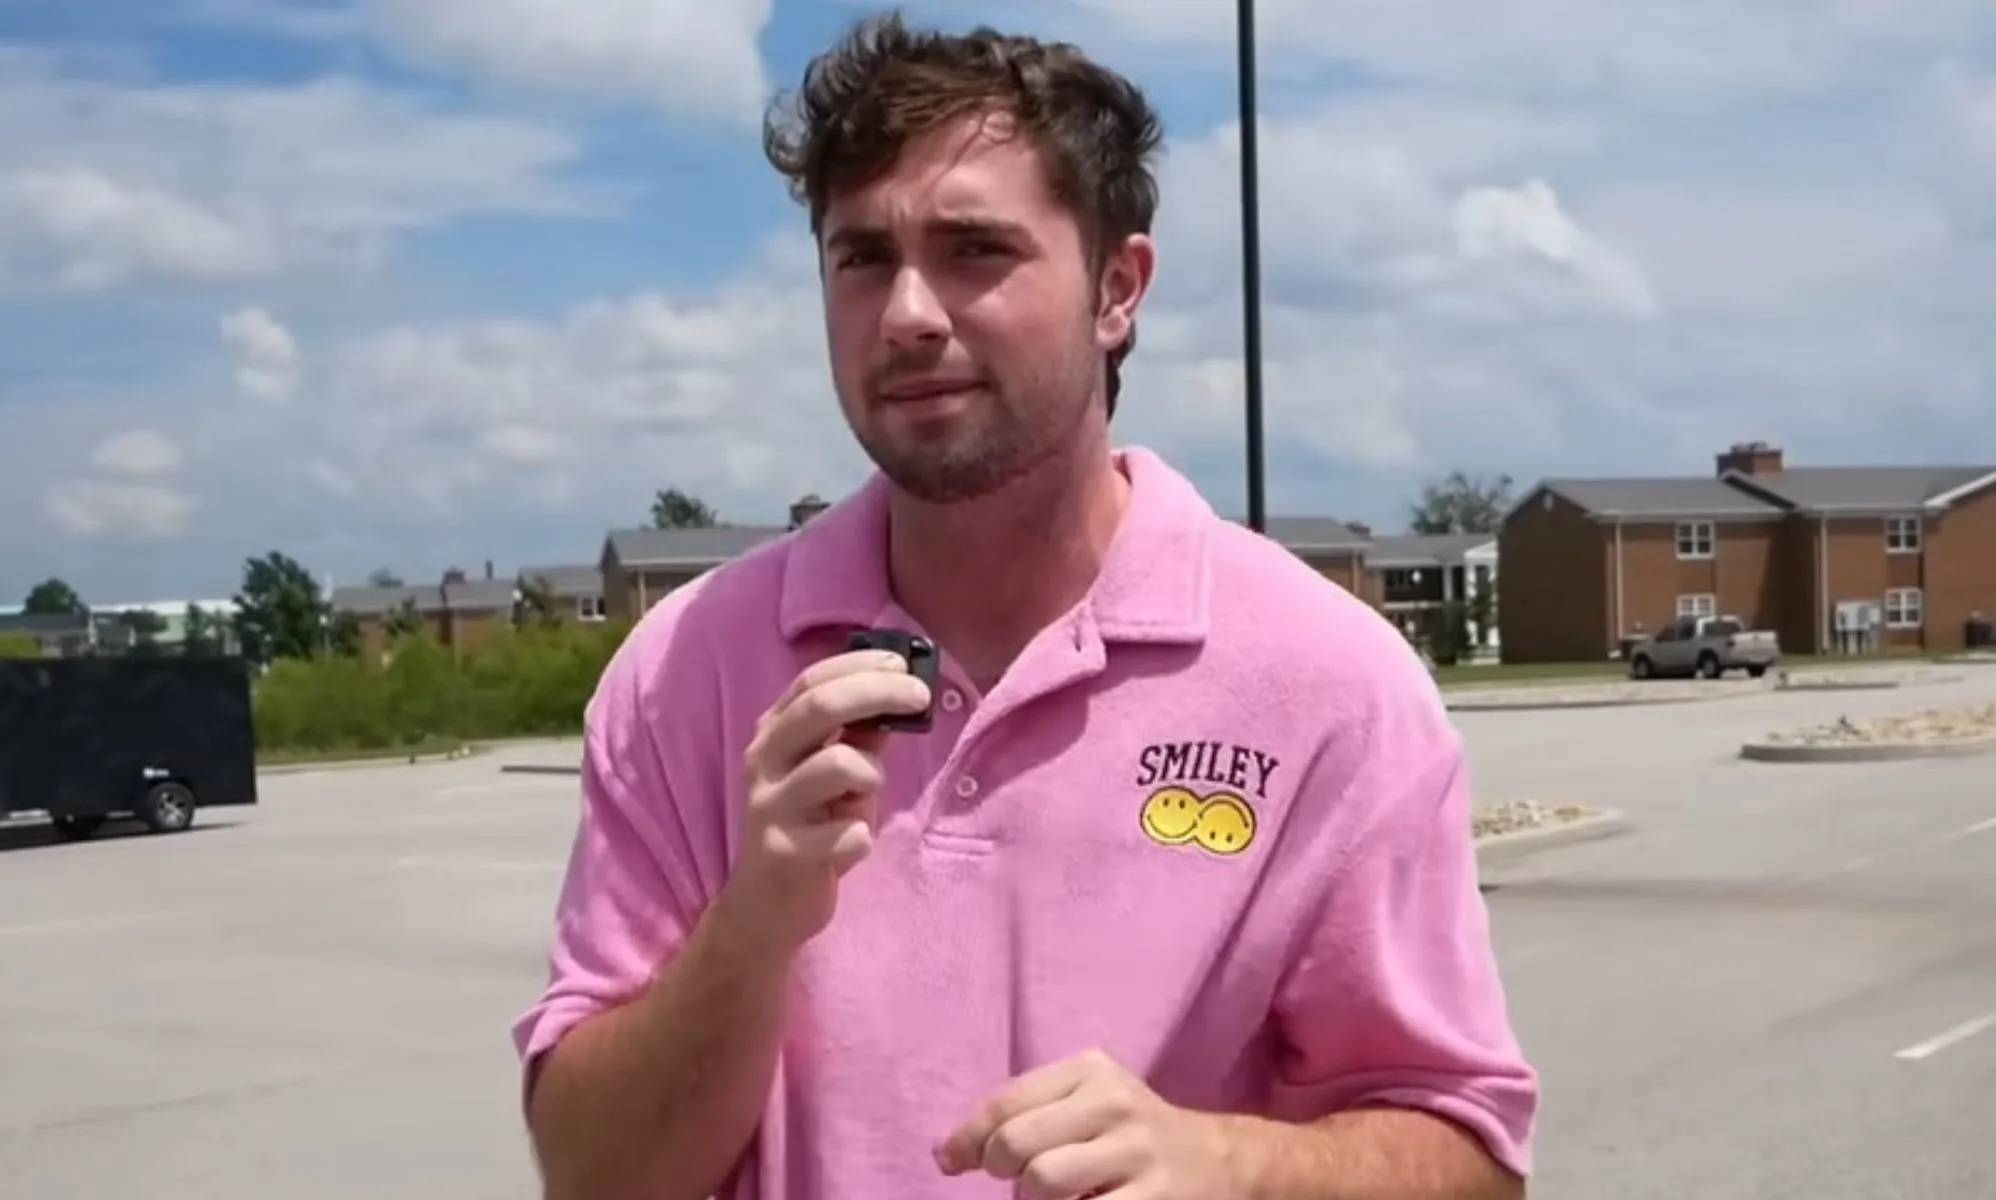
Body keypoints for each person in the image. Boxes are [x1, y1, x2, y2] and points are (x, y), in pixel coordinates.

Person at [511, 12, 1539, 1200]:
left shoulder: (1329, 687)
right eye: (861, 257)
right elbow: (592, 1175)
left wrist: (1231, 1165)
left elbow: (1470, 1162)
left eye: (973, 250)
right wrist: (752, 925)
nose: (905, 312)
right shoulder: (682, 671)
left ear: (1117, 287)